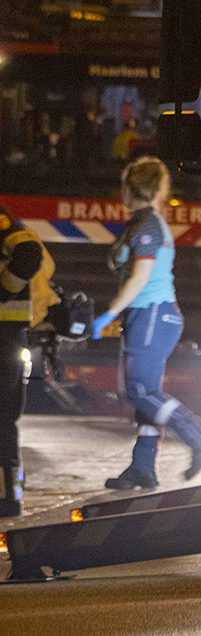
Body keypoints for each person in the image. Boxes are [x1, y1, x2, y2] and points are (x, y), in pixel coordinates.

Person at [93, 157, 201, 490]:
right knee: (145, 395)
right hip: (148, 316)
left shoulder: (148, 224)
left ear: (131, 189)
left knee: (138, 391)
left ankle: (200, 438)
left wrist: (108, 314)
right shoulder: (140, 223)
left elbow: (139, 278)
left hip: (152, 313)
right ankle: (142, 468)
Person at [0, 204, 58, 516]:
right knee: (4, 421)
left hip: (3, 334)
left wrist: (2, 290)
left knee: (2, 420)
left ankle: (8, 500)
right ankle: (10, 498)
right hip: (8, 336)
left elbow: (28, 253)